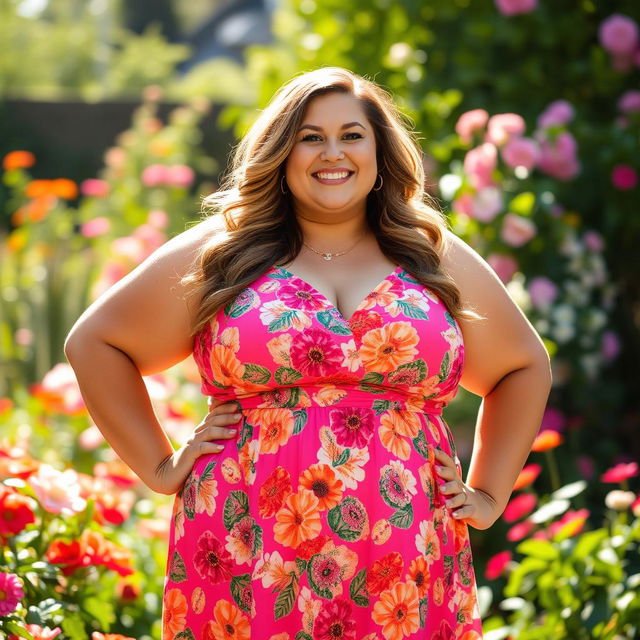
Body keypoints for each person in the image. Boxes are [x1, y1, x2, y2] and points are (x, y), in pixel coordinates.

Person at [64, 67, 552, 640]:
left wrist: (489, 494)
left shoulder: (432, 254)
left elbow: (524, 366)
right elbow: (95, 344)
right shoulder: (225, 249)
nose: (332, 153)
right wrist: (160, 466)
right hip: (246, 543)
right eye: (310, 136)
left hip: (407, 552)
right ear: (282, 150)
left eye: (352, 135)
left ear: (379, 152)